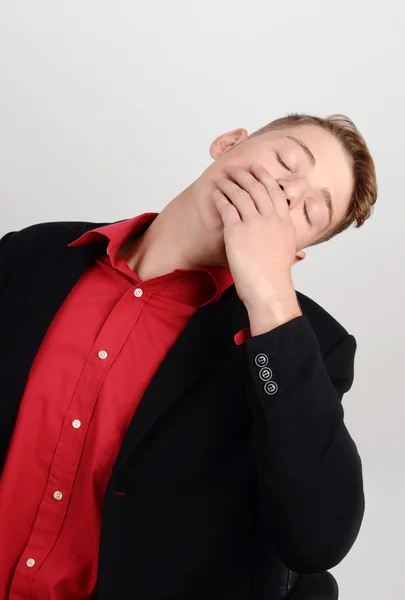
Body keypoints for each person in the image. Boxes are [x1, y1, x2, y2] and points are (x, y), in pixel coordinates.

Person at [0, 113, 377, 600]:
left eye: (309, 212)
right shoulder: (32, 255)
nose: (285, 192)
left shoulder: (310, 347)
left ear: (296, 253)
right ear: (228, 143)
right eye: (286, 160)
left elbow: (317, 537)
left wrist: (270, 295)